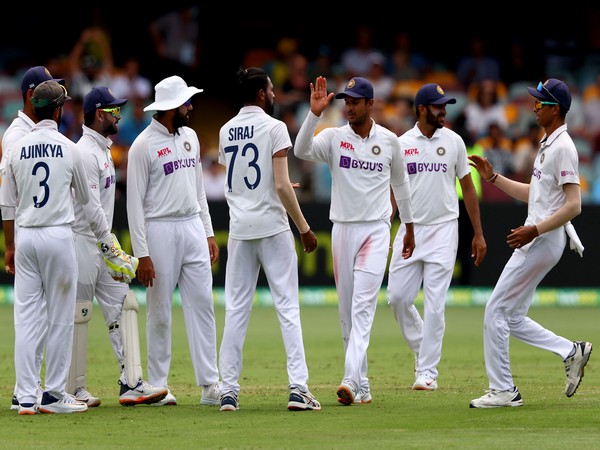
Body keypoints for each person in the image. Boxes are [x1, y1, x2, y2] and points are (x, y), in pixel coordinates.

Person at [468, 78, 592, 408]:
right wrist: (493, 178)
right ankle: (571, 351)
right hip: (541, 237)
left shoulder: (564, 147)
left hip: (543, 239)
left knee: (494, 310)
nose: (534, 107)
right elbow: (534, 194)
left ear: (556, 109)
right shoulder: (547, 143)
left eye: (540, 103)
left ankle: (503, 390)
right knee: (511, 317)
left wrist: (534, 230)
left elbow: (574, 204)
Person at [294, 76, 415, 405]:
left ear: (370, 104)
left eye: (355, 102)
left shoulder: (390, 142)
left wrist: (409, 227)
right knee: (347, 313)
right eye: (346, 102)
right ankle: (361, 385)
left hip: (376, 230)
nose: (348, 107)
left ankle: (349, 377)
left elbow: (402, 187)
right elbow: (301, 149)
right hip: (342, 230)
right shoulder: (334, 137)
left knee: (363, 308)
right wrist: (314, 114)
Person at [217, 67, 321, 412]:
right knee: (288, 308)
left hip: (240, 229)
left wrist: (274, 191)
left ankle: (228, 391)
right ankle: (298, 389)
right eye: (272, 89)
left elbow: (243, 179)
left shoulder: (225, 129)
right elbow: (278, 184)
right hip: (273, 228)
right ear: (261, 93)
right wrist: (304, 228)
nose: (275, 94)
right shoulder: (275, 127)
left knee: (236, 310)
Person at [68, 86, 168, 407]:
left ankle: (132, 383)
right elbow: (91, 208)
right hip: (83, 244)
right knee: (79, 315)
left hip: (99, 244)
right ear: (99, 114)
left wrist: (107, 247)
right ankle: (73, 388)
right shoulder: (84, 152)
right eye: (114, 111)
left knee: (125, 303)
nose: (119, 116)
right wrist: (111, 248)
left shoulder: (103, 149)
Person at [126, 75, 221, 406]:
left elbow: (198, 190)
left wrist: (207, 231)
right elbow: (134, 205)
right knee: (160, 310)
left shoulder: (191, 136)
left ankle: (210, 385)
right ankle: (159, 383)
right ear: (169, 109)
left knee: (203, 305)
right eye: (185, 103)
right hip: (160, 229)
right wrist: (143, 254)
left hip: (192, 225)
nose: (190, 107)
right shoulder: (142, 146)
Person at [387, 83, 487, 391]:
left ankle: (427, 371)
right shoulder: (401, 144)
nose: (444, 111)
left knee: (435, 304)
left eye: (445, 106)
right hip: (410, 230)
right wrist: (385, 225)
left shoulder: (455, 142)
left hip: (444, 229)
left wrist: (478, 233)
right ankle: (422, 348)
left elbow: (468, 188)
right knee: (398, 299)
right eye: (438, 106)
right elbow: (394, 190)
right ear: (421, 109)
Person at [0, 80, 90, 414]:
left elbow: (6, 203)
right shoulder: (70, 147)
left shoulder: (15, 147)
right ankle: (52, 394)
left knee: (25, 318)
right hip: (57, 234)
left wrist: (9, 245)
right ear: (58, 109)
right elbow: (84, 198)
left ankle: (25, 396)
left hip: (25, 236)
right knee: (60, 317)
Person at [1, 66, 65, 412]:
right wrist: (10, 243)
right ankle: (25, 388)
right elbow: (7, 195)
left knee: (36, 316)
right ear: (31, 95)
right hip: (35, 226)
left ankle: (27, 389)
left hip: (30, 230)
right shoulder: (16, 136)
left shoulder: (28, 131)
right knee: (37, 316)